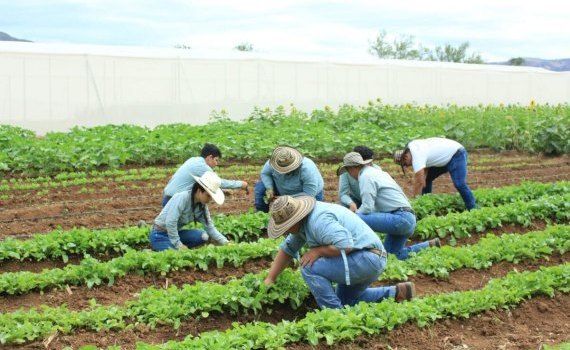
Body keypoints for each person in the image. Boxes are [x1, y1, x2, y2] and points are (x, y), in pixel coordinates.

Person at [263, 195, 416, 309]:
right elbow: (287, 250)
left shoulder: (318, 221)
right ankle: (396, 292)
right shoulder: (302, 226)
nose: (284, 232)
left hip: (368, 257)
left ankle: (334, 315)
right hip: (369, 258)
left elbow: (345, 245)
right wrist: (270, 278)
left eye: (285, 227)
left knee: (308, 267)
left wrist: (317, 251)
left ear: (295, 220)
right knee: (346, 301)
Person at [341, 152, 439, 260]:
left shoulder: (365, 176)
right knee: (391, 256)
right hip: (408, 218)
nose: (349, 174)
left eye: (347, 171)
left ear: (352, 168)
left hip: (399, 218)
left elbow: (367, 208)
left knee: (353, 218)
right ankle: (429, 245)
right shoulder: (377, 172)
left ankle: (350, 252)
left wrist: (351, 215)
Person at [150, 171, 230, 251]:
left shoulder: (202, 206)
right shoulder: (182, 198)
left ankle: (177, 247)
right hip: (160, 234)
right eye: (208, 196)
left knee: (204, 236)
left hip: (176, 233)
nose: (210, 200)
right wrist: (179, 245)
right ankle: (167, 247)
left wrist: (226, 243)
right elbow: (170, 222)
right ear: (199, 191)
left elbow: (210, 227)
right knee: (176, 255)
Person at [393, 137, 477, 210]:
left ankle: (473, 209)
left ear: (406, 157)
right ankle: (426, 203)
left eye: (405, 164)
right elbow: (424, 174)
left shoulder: (416, 155)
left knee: (459, 184)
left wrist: (415, 202)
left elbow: (419, 182)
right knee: (427, 179)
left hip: (456, 154)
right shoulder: (413, 147)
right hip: (444, 157)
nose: (407, 166)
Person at [162, 143, 248, 207]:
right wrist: (240, 184)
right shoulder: (202, 166)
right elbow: (218, 182)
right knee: (171, 227)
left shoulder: (193, 160)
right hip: (173, 201)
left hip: (168, 198)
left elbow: (204, 184)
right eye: (216, 160)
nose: (216, 164)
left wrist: (222, 190)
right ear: (210, 157)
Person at [254, 146, 324, 212]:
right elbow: (265, 173)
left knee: (307, 215)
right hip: (281, 189)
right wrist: (270, 188)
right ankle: (263, 215)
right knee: (261, 188)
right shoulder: (276, 161)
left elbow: (309, 195)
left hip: (307, 194)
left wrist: (284, 199)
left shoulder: (307, 169)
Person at [338, 146, 380, 212]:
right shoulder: (346, 171)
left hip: (373, 200)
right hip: (356, 199)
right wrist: (351, 203)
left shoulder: (376, 170)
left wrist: (358, 214)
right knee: (345, 204)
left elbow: (372, 202)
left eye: (371, 162)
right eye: (367, 162)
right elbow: (343, 194)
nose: (369, 165)